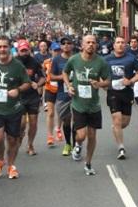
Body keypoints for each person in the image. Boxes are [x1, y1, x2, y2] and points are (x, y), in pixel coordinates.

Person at [0, 36, 31, 179]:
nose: (2, 49)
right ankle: (1, 160)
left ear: (10, 48)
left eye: (5, 46)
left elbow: (27, 82)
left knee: (12, 140)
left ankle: (11, 165)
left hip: (14, 109)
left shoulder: (17, 65)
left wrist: (18, 90)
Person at [63, 34, 110, 175]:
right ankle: (77, 144)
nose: (91, 45)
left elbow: (108, 81)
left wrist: (99, 84)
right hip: (78, 104)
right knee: (81, 135)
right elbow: (65, 72)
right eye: (88, 42)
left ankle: (88, 163)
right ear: (82, 45)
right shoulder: (74, 60)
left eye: (93, 42)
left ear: (96, 45)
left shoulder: (101, 62)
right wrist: (69, 86)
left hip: (94, 105)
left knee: (92, 135)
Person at [105, 36, 138, 159]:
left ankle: (117, 129)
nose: (120, 44)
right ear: (114, 45)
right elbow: (101, 75)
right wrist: (104, 84)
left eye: (123, 43)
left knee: (125, 122)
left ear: (125, 45)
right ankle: (121, 147)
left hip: (126, 92)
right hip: (113, 93)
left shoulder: (131, 59)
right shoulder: (107, 59)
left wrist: (131, 81)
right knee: (117, 119)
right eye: (118, 42)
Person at [16, 40, 46, 156]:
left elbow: (43, 77)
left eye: (26, 50)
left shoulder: (34, 62)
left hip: (32, 96)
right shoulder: (14, 62)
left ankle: (30, 144)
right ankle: (20, 136)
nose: (24, 52)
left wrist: (37, 84)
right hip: (19, 97)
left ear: (29, 50)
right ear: (18, 51)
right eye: (22, 50)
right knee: (22, 124)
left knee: (33, 123)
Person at [51, 36, 75, 156]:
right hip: (62, 93)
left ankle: (76, 145)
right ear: (60, 46)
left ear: (72, 45)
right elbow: (52, 76)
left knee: (77, 119)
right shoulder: (57, 60)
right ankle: (68, 143)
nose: (66, 45)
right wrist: (65, 77)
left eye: (68, 43)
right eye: (63, 43)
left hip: (77, 93)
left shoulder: (77, 58)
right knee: (66, 120)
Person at [43, 42, 62, 146]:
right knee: (50, 113)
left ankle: (58, 128)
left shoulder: (63, 61)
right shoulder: (46, 62)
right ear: (51, 51)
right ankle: (50, 136)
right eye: (55, 51)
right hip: (49, 89)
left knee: (60, 112)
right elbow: (42, 74)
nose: (57, 52)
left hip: (61, 89)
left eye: (59, 50)